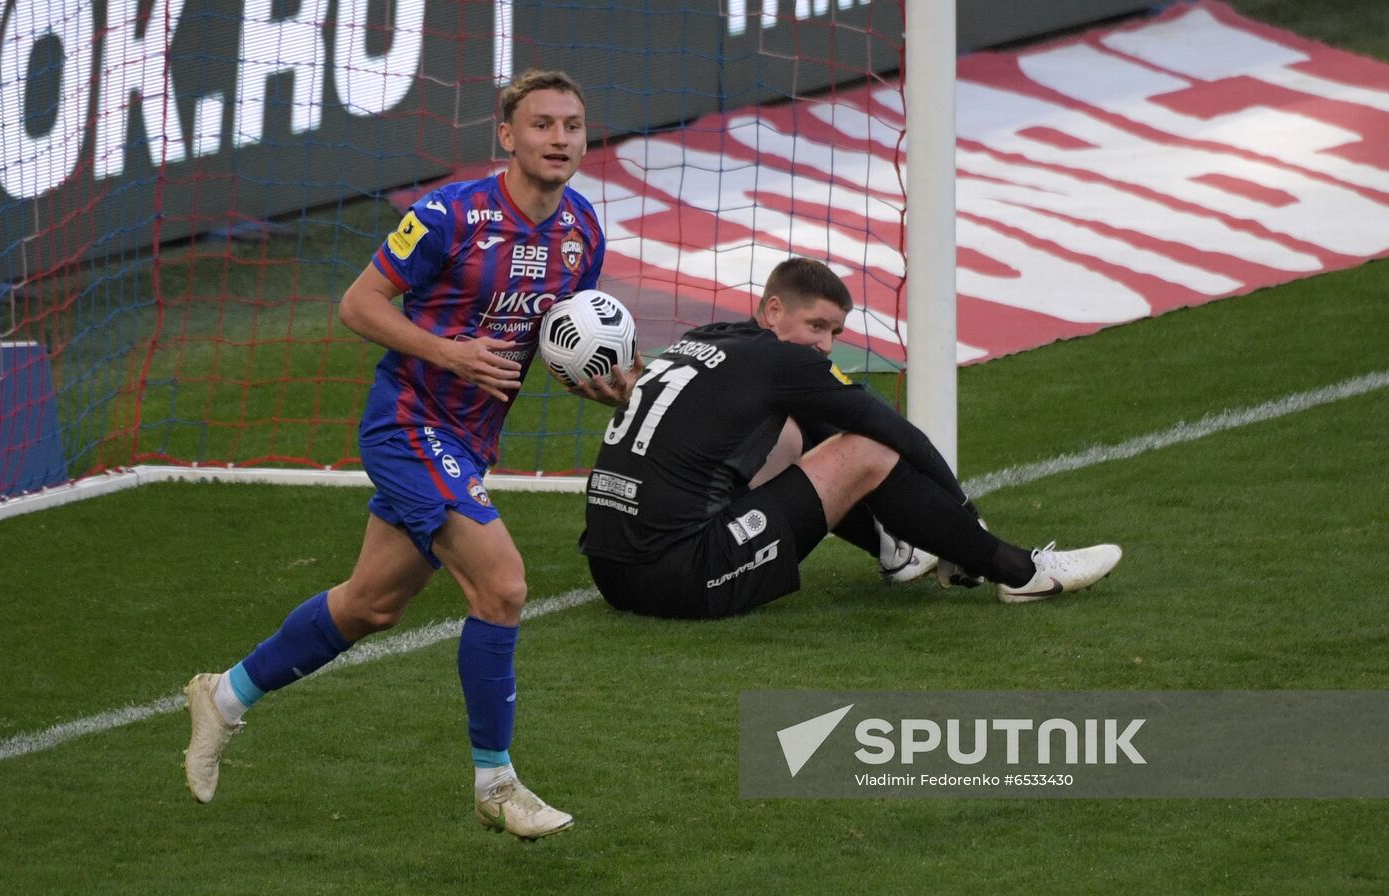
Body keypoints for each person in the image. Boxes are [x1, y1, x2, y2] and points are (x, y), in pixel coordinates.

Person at [185, 69, 634, 840]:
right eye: (542, 125)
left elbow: (558, 342)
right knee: (503, 586)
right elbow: (357, 304)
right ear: (507, 134)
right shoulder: (449, 215)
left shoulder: (582, 233)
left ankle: (222, 697)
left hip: (470, 441)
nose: (559, 139)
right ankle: (496, 782)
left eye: (572, 125)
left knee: (370, 604)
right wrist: (449, 354)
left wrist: (595, 382)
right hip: (408, 424)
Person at [580, 256, 1121, 619]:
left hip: (612, 574)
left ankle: (897, 551)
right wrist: (967, 519)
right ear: (773, 311)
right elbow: (897, 434)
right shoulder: (782, 363)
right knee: (866, 448)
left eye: (835, 333)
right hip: (679, 580)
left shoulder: (704, 339)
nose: (824, 345)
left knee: (794, 434)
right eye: (816, 327)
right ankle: (1021, 571)